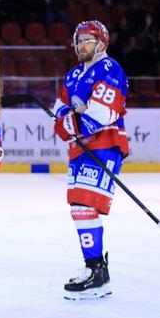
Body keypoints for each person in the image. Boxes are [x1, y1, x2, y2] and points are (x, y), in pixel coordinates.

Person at [53, 20, 129, 300]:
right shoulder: (73, 75)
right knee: (79, 208)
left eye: (88, 39)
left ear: (101, 43)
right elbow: (58, 116)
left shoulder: (110, 69)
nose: (81, 45)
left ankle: (96, 271)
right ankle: (96, 270)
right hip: (80, 149)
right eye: (79, 40)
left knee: (84, 206)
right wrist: (78, 114)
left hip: (106, 145)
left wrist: (74, 119)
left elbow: (101, 116)